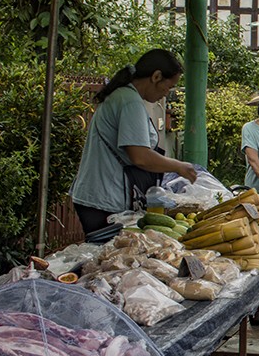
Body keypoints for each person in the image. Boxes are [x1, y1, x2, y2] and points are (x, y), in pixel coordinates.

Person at [70, 50, 198, 235]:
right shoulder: (130, 102)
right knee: (110, 260)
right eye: (168, 87)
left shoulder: (124, 97)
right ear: (156, 76)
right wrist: (178, 166)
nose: (165, 94)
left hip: (97, 195)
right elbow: (140, 156)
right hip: (103, 198)